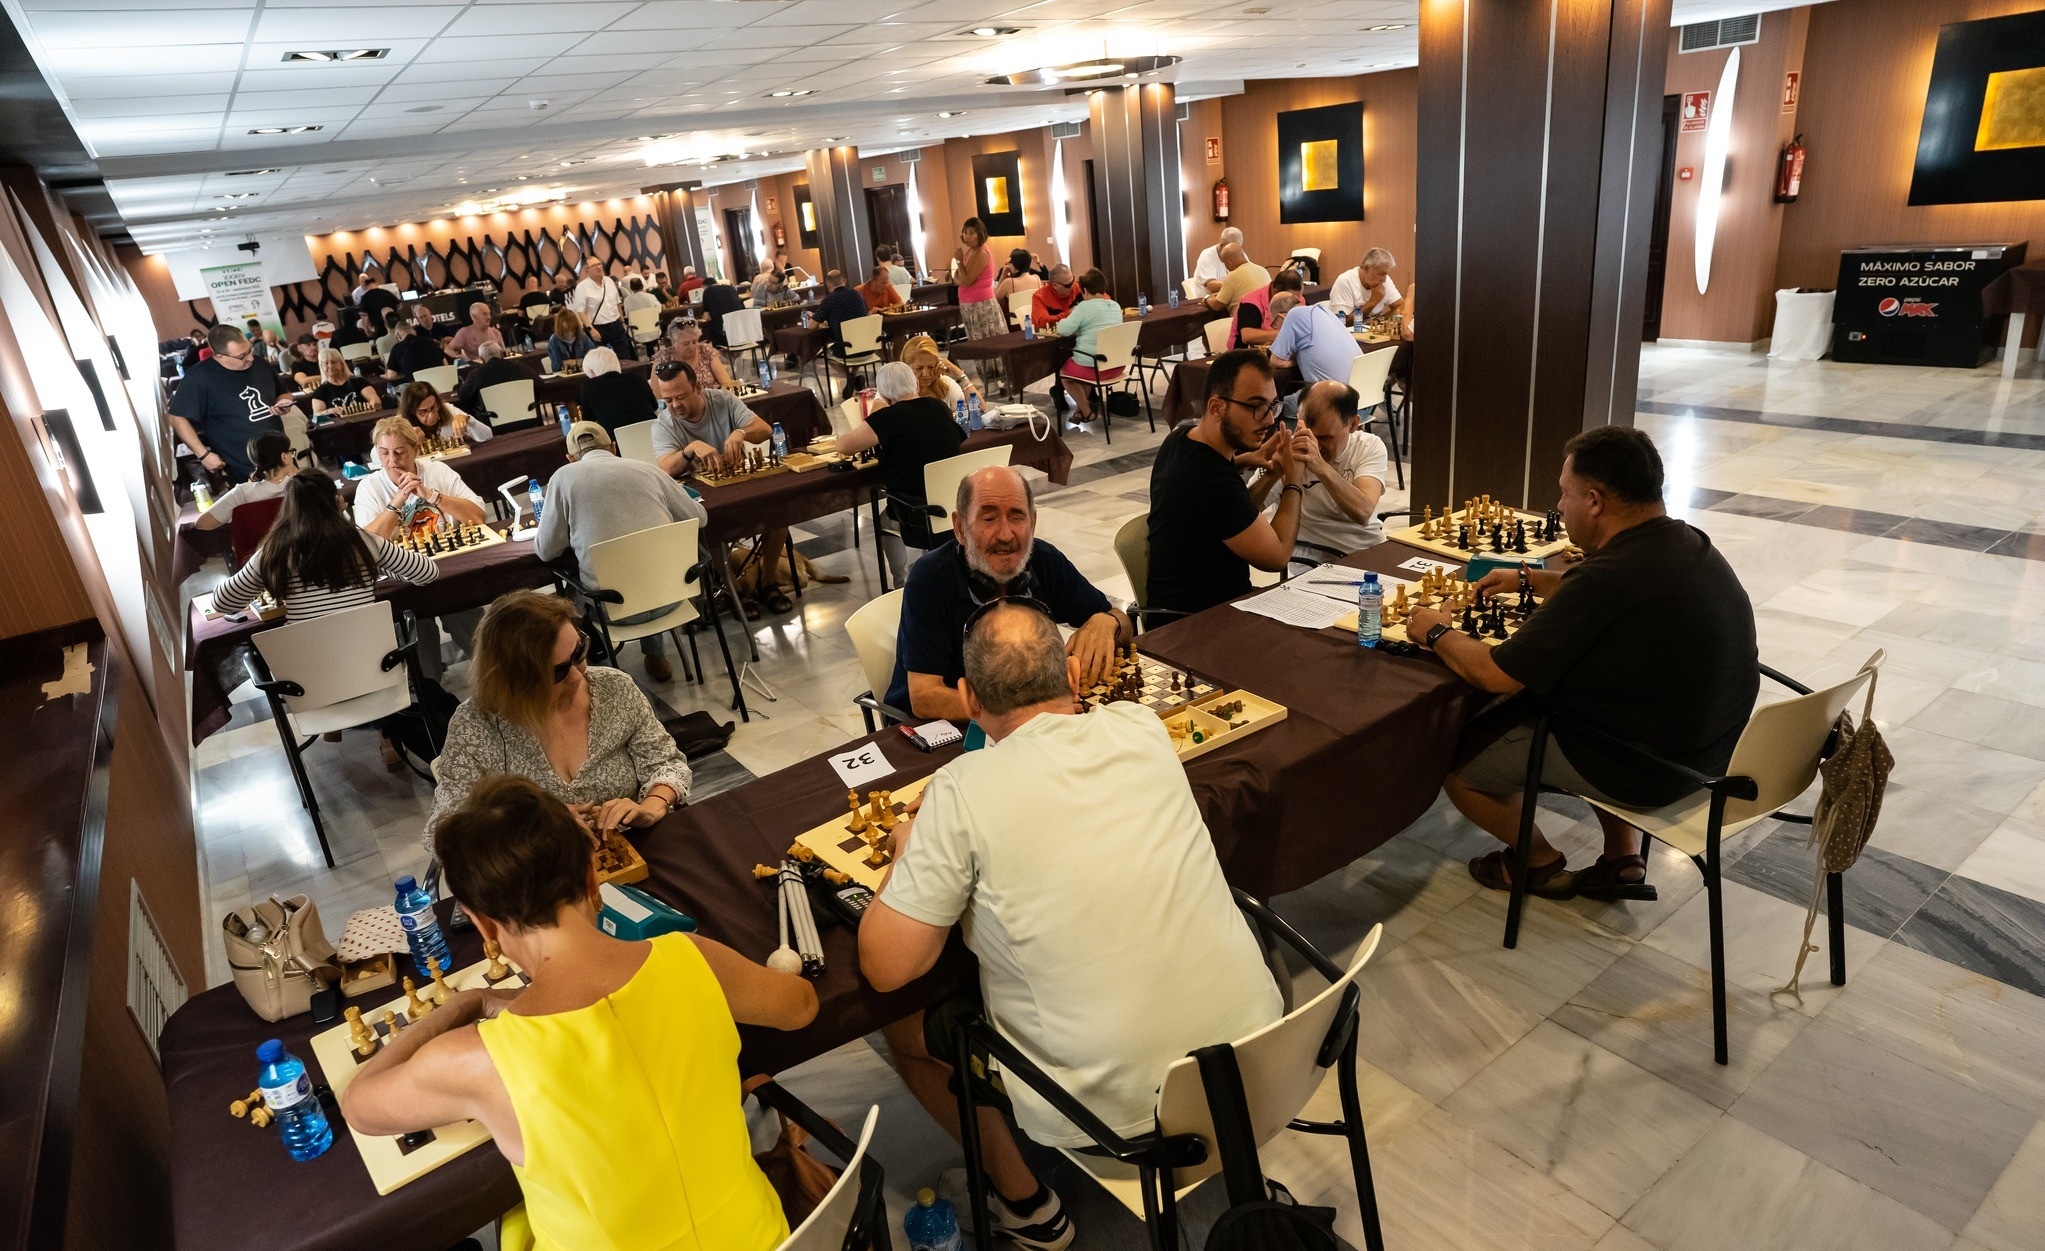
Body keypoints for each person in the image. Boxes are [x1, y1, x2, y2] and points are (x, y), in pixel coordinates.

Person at [860, 601, 1281, 1249]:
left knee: (903, 1024)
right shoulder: (1140, 726)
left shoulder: (959, 788)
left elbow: (888, 965)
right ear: (1076, 679)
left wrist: (904, 849)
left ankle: (1027, 1206)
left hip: (1118, 1117)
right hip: (1269, 1060)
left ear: (968, 700)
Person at [345, 775, 814, 1251]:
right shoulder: (691, 956)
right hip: (762, 1238)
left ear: (483, 922)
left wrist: (464, 1004)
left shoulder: (474, 1061)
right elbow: (802, 1007)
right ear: (593, 879)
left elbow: (360, 1105)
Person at [1408, 427, 1759, 901]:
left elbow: (1495, 674)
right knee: (1589, 697)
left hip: (1651, 767)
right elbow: (1598, 588)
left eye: (1564, 493)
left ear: (1594, 501)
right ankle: (1622, 859)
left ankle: (1536, 861)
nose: (1558, 505)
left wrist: (1434, 629)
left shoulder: (1610, 578)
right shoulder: (1685, 542)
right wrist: (1529, 577)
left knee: (1455, 759)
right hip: (1711, 750)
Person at [426, 591, 696, 845]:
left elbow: (666, 763)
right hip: (539, 874)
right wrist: (527, 825)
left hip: (630, 851)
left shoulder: (615, 688)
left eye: (579, 653)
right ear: (512, 682)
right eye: (557, 673)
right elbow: (446, 829)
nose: (579, 675)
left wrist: (650, 807)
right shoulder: (475, 725)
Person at [213, 468, 439, 769]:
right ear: (336, 501)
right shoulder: (362, 542)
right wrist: (384, 563)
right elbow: (427, 573)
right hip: (377, 682)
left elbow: (222, 601)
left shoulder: (275, 552)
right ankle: (393, 734)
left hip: (311, 693)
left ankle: (370, 732)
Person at [887, 464, 1128, 721]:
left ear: (1032, 522)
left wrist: (1108, 621)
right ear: (960, 528)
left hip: (1028, 723)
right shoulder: (930, 579)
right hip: (943, 729)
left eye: (1017, 517)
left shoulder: (1044, 560)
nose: (1005, 534)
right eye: (989, 518)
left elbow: (1123, 622)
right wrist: (1026, 712)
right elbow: (924, 698)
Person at [536, 422, 708, 683]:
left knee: (570, 592)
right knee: (644, 566)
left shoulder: (563, 477)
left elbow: (546, 551)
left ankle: (592, 674)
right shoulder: (647, 469)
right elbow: (699, 518)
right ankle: (656, 656)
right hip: (673, 597)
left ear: (570, 459)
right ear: (613, 448)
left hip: (611, 609)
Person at [1146, 350, 1302, 618]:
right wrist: (1294, 481)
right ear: (1217, 407)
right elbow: (1277, 556)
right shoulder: (1210, 480)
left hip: (1205, 607)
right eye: (1256, 406)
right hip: (1196, 625)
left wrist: (1269, 471)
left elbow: (1232, 516)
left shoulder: (1181, 438)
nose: (1268, 419)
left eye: (1272, 405)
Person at [649, 360, 791, 615]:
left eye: (680, 397)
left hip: (737, 486)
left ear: (698, 387)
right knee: (709, 525)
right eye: (667, 400)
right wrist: (690, 450)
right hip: (706, 500)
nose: (674, 406)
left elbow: (765, 429)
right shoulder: (664, 424)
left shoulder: (723, 401)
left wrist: (740, 433)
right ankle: (733, 590)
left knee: (778, 512)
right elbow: (665, 468)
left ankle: (767, 582)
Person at [835, 361, 962, 576]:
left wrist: (877, 409)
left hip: (915, 513)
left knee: (884, 520)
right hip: (952, 504)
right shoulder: (939, 407)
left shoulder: (886, 418)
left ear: (883, 394)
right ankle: (933, 567)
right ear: (915, 384)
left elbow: (844, 446)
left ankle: (899, 579)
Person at [1257, 380, 1387, 567]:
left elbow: (1363, 512)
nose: (1313, 445)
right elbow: (1243, 514)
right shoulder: (1291, 450)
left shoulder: (1368, 446)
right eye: (1306, 433)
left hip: (1366, 551)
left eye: (1325, 438)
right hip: (1310, 561)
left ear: (1353, 425)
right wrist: (1273, 473)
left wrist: (1319, 465)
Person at [169, 325, 292, 480]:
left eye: (250, 350)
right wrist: (203, 454)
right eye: (241, 356)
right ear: (220, 356)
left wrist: (283, 402)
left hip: (282, 457)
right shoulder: (199, 377)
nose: (250, 358)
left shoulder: (260, 364)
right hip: (240, 466)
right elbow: (176, 417)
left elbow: (284, 392)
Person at [1051, 268, 1126, 425]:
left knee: (1064, 373)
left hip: (1094, 368)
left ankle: (1087, 412)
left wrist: (1064, 319)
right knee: (1084, 371)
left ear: (1084, 290)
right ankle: (1079, 411)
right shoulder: (1115, 306)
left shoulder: (1083, 307)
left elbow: (1063, 330)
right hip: (1116, 366)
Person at [195, 432, 298, 530]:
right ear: (284, 457)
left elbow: (202, 523)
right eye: (291, 452)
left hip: (264, 547)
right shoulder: (306, 483)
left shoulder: (243, 493)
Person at [953, 217, 1005, 390]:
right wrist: (960, 268)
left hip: (981, 305)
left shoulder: (982, 253)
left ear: (980, 234)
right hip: (968, 304)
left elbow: (966, 279)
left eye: (972, 233)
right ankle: (986, 379)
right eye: (965, 232)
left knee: (987, 342)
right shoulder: (970, 252)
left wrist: (959, 261)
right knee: (976, 342)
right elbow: (956, 279)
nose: (967, 236)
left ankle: (996, 380)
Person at [1267, 289, 1360, 386]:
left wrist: (1296, 360)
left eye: (1274, 324)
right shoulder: (1323, 310)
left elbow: (1276, 361)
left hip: (1335, 396)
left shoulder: (1293, 314)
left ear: (1280, 316)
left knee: (1287, 400)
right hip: (1361, 388)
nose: (1277, 329)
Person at [813, 269, 871, 400]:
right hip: (867, 346)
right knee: (854, 350)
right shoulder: (857, 294)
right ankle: (854, 379)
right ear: (844, 281)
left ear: (828, 285)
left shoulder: (829, 300)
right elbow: (866, 314)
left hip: (845, 349)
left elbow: (812, 325)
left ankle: (850, 377)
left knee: (826, 354)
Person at [576, 346, 658, 437]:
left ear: (592, 372)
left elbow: (588, 423)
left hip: (616, 443)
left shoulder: (589, 386)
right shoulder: (638, 379)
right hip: (652, 436)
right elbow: (655, 406)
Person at [452, 341, 530, 419]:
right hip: (528, 418)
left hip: (493, 422)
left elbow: (463, 395)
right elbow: (540, 385)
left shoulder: (477, 374)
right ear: (502, 353)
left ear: (481, 359)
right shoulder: (519, 367)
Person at [398, 379, 490, 444]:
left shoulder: (447, 409)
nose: (431, 416)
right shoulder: (401, 424)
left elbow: (487, 436)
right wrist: (404, 438)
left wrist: (468, 420)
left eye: (433, 407)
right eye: (423, 412)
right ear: (411, 412)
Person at [1231, 267, 1301, 350]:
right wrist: (1286, 334)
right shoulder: (1251, 302)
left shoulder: (1297, 299)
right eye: (1291, 299)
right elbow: (1247, 336)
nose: (1296, 301)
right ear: (1275, 292)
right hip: (1245, 354)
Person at [899, 334, 976, 407]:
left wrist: (958, 374)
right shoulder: (896, 393)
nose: (926, 374)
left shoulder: (946, 385)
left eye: (931, 367)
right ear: (906, 367)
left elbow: (980, 408)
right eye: (919, 368)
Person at [1328, 247, 1404, 320]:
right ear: (1366, 268)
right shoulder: (1345, 281)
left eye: (1386, 274)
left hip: (1372, 331)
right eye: (1381, 274)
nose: (1384, 279)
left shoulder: (1385, 280)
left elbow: (1401, 306)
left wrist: (1380, 321)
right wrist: (1372, 302)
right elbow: (1342, 322)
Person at [571, 264, 630, 357]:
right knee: (602, 359)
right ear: (587, 270)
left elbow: (617, 303)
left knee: (625, 356)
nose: (598, 267)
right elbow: (581, 311)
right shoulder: (582, 287)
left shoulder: (609, 281)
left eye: (599, 264)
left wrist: (622, 322)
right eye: (594, 265)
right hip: (598, 328)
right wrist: (591, 329)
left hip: (615, 324)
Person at [659, 317, 733, 389]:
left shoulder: (705, 350)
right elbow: (658, 398)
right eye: (686, 344)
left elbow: (726, 383)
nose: (691, 347)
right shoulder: (663, 359)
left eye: (694, 342)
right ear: (673, 342)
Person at [308, 349, 382, 417]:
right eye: (326, 363)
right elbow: (317, 414)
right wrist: (330, 411)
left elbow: (373, 397)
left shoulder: (358, 381)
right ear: (321, 366)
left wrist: (374, 401)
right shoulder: (320, 391)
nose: (330, 366)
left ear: (341, 363)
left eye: (333, 362)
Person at [1205, 242, 1270, 317]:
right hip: (1265, 318)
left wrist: (1207, 299)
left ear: (1229, 263)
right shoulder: (1263, 270)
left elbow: (1217, 306)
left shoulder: (1232, 276)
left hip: (1242, 321)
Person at [383, 316, 448, 382]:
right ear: (414, 332)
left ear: (398, 336)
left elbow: (391, 375)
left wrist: (385, 375)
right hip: (441, 384)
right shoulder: (431, 342)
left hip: (418, 389)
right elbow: (445, 364)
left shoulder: (396, 348)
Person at [1193, 225, 1244, 294]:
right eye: (1230, 250)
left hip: (1228, 298)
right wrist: (1237, 284)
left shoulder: (1237, 252)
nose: (1234, 254)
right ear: (1221, 246)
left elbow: (1248, 270)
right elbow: (1212, 286)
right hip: (1207, 301)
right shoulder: (1207, 256)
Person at [992, 246, 1042, 317]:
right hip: (1034, 320)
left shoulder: (1009, 282)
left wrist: (1003, 274)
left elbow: (994, 301)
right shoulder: (1037, 279)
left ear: (1015, 264)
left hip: (1015, 323)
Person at [546, 309, 600, 374]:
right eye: (566, 331)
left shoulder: (582, 336)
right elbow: (556, 366)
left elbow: (594, 355)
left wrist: (590, 354)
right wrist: (577, 361)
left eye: (572, 330)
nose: (570, 333)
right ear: (560, 329)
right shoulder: (554, 340)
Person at [1029, 263, 1079, 330]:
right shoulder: (1040, 297)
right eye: (1067, 285)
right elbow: (1041, 322)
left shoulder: (1076, 287)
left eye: (1073, 280)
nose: (1072, 286)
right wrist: (1067, 315)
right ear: (1055, 285)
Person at [700, 276, 745, 348]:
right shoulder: (731, 288)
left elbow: (707, 317)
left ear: (705, 287)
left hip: (723, 333)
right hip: (740, 330)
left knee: (708, 329)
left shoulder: (707, 291)